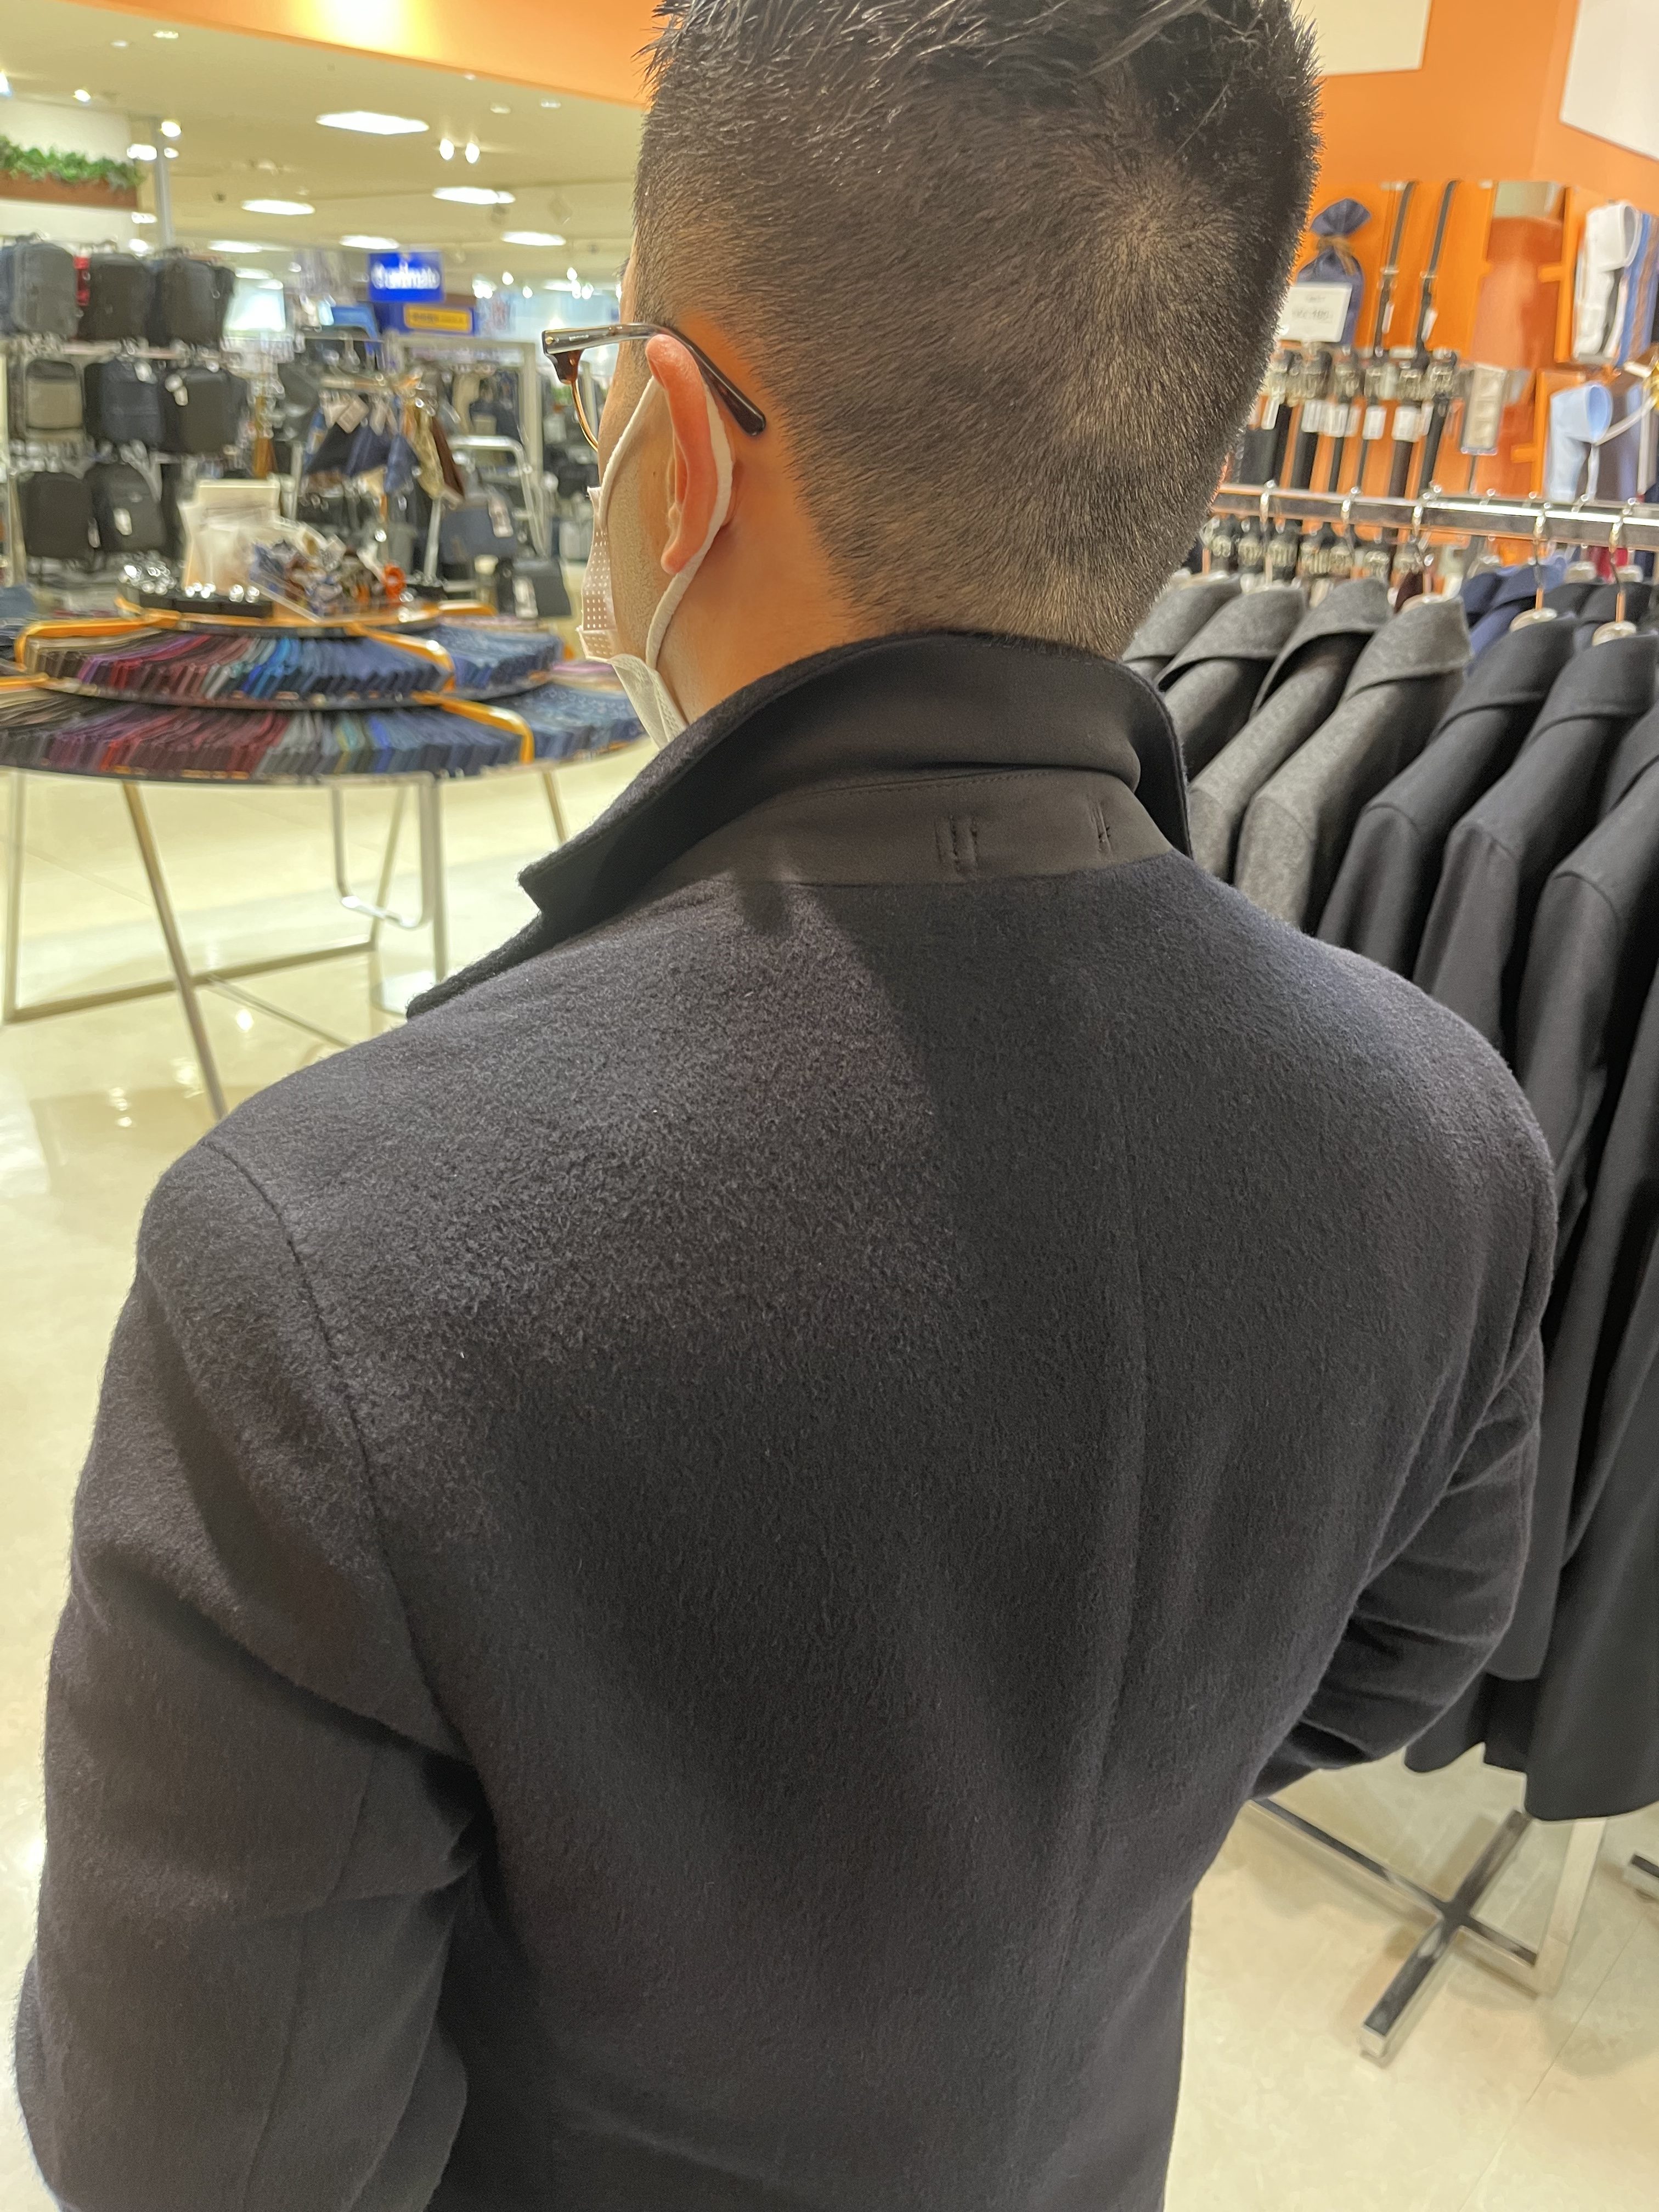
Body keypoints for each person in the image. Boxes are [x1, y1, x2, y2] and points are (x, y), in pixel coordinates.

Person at [17, 5, 1555, 2209]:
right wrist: (1038, 1842)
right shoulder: (1448, 1130)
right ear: (1185, 449)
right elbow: (1400, 1655)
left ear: (669, 436)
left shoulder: (324, 1263)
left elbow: (204, 2157)